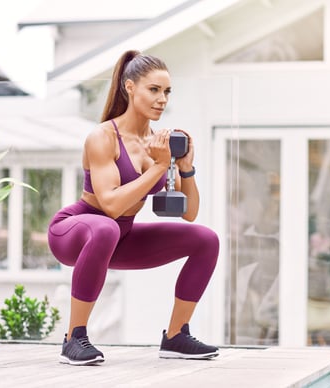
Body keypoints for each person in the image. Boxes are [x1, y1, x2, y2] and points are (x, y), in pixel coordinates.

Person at [47, 50, 219, 366]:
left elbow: (189, 212)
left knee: (206, 239)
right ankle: (74, 338)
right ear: (130, 88)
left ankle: (177, 336)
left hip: (119, 237)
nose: (162, 99)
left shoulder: (156, 144)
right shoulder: (103, 137)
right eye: (153, 90)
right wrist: (159, 166)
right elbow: (110, 206)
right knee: (106, 228)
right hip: (76, 230)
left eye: (167, 91)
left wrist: (185, 167)